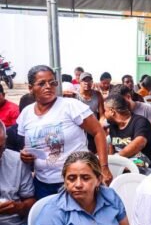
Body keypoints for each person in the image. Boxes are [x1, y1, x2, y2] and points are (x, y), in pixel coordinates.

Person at [18, 65, 110, 198]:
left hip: (77, 181)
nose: (48, 86)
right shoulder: (26, 113)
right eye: (42, 83)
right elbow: (27, 145)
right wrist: (25, 154)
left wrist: (104, 167)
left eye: (52, 82)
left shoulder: (70, 106)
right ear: (30, 88)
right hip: (42, 183)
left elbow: (98, 132)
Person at [0, 121, 35, 225]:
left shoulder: (16, 161)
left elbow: (30, 200)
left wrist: (18, 207)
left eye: (0, 148)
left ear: (5, 140)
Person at [105, 94, 151, 171]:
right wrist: (111, 162)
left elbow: (139, 142)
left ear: (112, 111)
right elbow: (111, 148)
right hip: (124, 165)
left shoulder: (140, 122)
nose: (104, 114)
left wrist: (117, 158)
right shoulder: (113, 125)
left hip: (148, 167)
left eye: (105, 111)